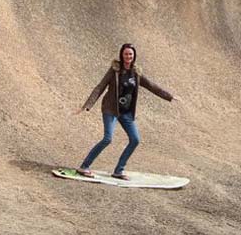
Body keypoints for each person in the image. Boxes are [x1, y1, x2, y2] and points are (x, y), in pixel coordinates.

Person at [75, 43, 174, 180]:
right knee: (107, 138)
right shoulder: (114, 70)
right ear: (122, 55)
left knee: (135, 140)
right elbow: (100, 87)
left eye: (131, 54)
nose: (128, 56)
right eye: (126, 54)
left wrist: (170, 97)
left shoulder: (136, 73)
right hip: (111, 109)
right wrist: (87, 105)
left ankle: (118, 170)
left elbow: (152, 86)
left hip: (126, 112)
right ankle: (84, 167)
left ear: (134, 56)